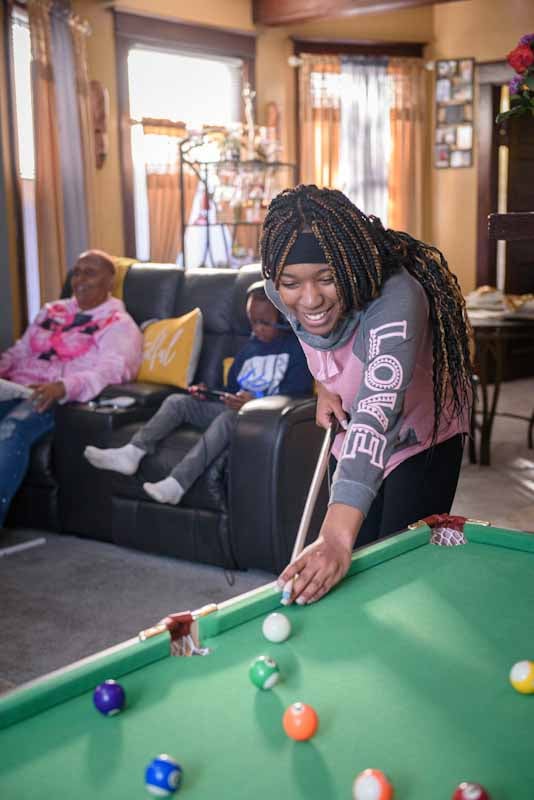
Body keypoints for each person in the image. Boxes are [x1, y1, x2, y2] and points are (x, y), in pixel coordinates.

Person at [260, 185, 473, 605]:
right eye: (292, 283)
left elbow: (378, 411)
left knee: (401, 568)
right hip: (354, 430)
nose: (310, 298)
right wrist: (324, 387)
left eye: (327, 278)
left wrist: (335, 535)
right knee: (351, 561)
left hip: (422, 435)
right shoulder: (274, 289)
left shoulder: (397, 298)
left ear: (351, 266)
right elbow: (314, 338)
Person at [84, 282, 313, 505]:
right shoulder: (249, 349)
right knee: (177, 402)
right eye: (252, 322)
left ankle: (177, 483)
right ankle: (133, 452)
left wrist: (255, 403)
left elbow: (296, 394)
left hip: (257, 419)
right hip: (232, 407)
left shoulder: (295, 350)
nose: (257, 329)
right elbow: (231, 389)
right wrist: (210, 394)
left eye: (265, 322)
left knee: (227, 419)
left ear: (284, 318)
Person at [0, 249, 143, 527]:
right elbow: (19, 353)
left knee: (10, 429)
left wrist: (63, 387)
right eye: (76, 272)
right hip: (14, 387)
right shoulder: (51, 311)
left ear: (109, 282)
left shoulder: (120, 325)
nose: (79, 279)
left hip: (57, 398)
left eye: (90, 273)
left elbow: (112, 370)